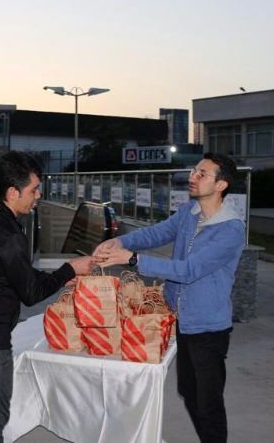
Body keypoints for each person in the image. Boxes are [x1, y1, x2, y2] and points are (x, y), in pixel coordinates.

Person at [0, 151, 96, 443]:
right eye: (34, 190)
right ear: (13, 192)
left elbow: (16, 274)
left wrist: (61, 277)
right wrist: (69, 268)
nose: (38, 195)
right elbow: (30, 292)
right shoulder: (10, 235)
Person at [94, 152, 244, 443]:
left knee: (209, 403)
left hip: (208, 327)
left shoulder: (231, 229)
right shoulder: (190, 212)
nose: (193, 177)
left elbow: (189, 270)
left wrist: (132, 259)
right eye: (194, 171)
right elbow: (156, 234)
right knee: (188, 391)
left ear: (221, 185)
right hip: (183, 319)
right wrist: (119, 241)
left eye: (202, 174)